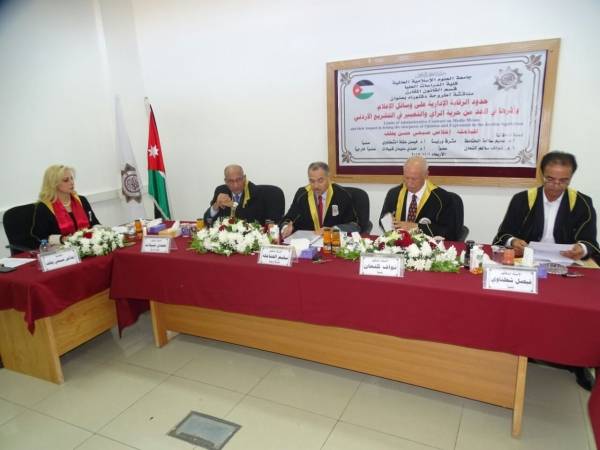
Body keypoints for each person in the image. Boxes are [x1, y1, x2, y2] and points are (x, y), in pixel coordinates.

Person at [493, 150, 598, 391]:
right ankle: (525, 351)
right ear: (542, 175)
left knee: (580, 311)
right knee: (517, 302)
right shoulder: (523, 199)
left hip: (567, 267)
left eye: (563, 181)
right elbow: (503, 234)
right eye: (551, 179)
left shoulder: (582, 202)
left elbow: (590, 241)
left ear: (570, 178)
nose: (556, 186)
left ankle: (578, 362)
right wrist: (513, 242)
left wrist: (580, 249)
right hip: (529, 263)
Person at [379, 156, 460, 239]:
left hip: (428, 245)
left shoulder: (443, 198)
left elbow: (449, 231)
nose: (409, 183)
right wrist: (388, 221)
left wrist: (417, 227)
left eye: (414, 179)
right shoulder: (394, 193)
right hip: (399, 243)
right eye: (406, 178)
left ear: (426, 175)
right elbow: (382, 219)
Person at [281, 162, 358, 238]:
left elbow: (354, 225)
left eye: (320, 181)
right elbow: (287, 219)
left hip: (333, 241)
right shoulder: (302, 195)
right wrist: (285, 228)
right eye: (312, 181)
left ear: (328, 178)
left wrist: (334, 229)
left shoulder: (342, 195)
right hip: (308, 242)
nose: (316, 186)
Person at [31, 165, 100, 245]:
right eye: (66, 180)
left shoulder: (81, 200)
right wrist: (62, 239)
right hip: (60, 249)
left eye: (71, 178)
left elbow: (94, 223)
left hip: (87, 245)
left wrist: (102, 232)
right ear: (54, 184)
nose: (72, 182)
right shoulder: (44, 207)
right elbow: (40, 236)